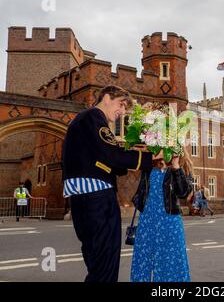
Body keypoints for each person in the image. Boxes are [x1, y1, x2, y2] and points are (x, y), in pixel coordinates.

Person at [62, 85, 159, 282]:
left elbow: (104, 161)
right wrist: (151, 159)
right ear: (107, 97)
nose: (122, 111)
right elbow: (112, 154)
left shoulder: (82, 122)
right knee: (105, 265)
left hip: (83, 201)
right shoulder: (94, 117)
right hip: (97, 199)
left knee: (97, 263)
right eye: (121, 104)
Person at [130, 150, 193, 282]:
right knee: (142, 265)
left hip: (169, 222)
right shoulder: (149, 161)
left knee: (171, 265)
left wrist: (176, 166)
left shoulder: (182, 162)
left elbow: (184, 193)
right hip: (147, 220)